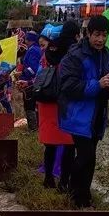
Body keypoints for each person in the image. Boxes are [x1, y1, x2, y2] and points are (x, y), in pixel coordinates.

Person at [58, 14, 109, 208]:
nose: (100, 39)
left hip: (97, 115)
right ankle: (74, 193)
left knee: (90, 157)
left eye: (104, 35)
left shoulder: (108, 55)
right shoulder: (75, 55)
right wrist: (97, 85)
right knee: (85, 156)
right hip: (78, 115)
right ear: (88, 33)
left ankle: (83, 196)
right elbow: (68, 85)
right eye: (96, 35)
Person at [36, 21, 78, 191]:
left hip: (46, 101)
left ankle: (48, 179)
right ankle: (64, 182)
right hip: (65, 103)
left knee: (50, 144)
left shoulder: (48, 52)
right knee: (69, 144)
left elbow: (40, 73)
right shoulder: (73, 53)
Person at [17, 31, 42, 131]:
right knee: (33, 105)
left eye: (26, 39)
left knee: (29, 105)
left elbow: (34, 69)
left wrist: (22, 72)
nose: (24, 40)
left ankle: (33, 129)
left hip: (30, 83)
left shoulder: (33, 51)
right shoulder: (36, 49)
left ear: (29, 40)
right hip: (32, 82)